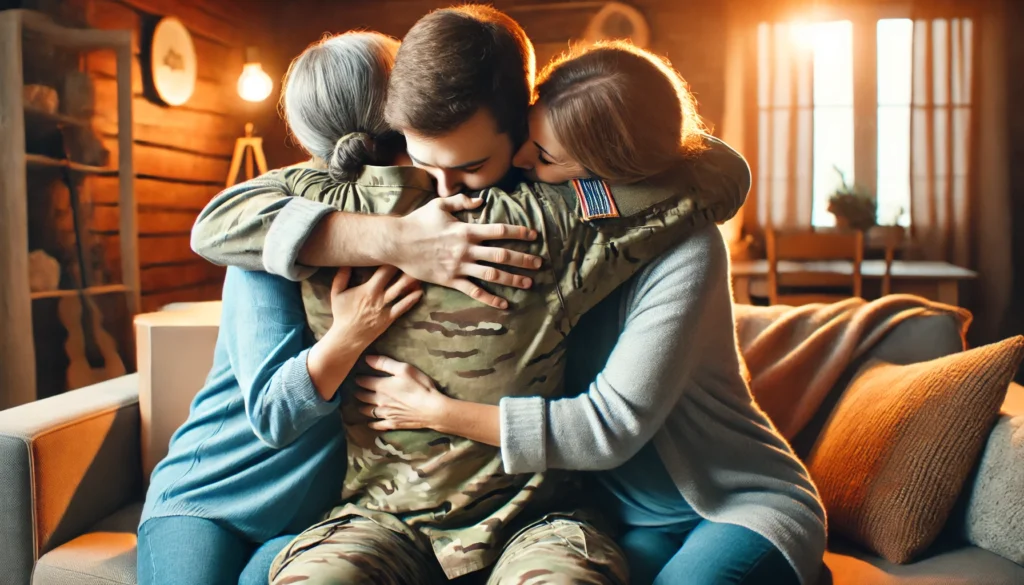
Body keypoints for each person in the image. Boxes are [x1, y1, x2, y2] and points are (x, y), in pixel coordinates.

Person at [189, 8, 760, 585]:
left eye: (469, 167)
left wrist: (436, 411)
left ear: (522, 131)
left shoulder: (557, 218)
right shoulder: (327, 209)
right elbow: (211, 226)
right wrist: (402, 239)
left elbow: (718, 173)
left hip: (540, 520)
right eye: (422, 161)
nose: (441, 194)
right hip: (377, 517)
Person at [321, 40, 831, 585]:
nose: (520, 161)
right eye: (529, 139)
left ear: (605, 174)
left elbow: (610, 427)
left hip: (733, 504)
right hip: (630, 519)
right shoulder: (540, 218)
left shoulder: (688, 250)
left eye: (543, 156)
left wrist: (433, 411)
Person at [136, 32, 429, 585]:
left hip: (322, 520)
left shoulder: (443, 217)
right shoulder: (267, 240)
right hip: (210, 497)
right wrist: (348, 335)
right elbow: (274, 415)